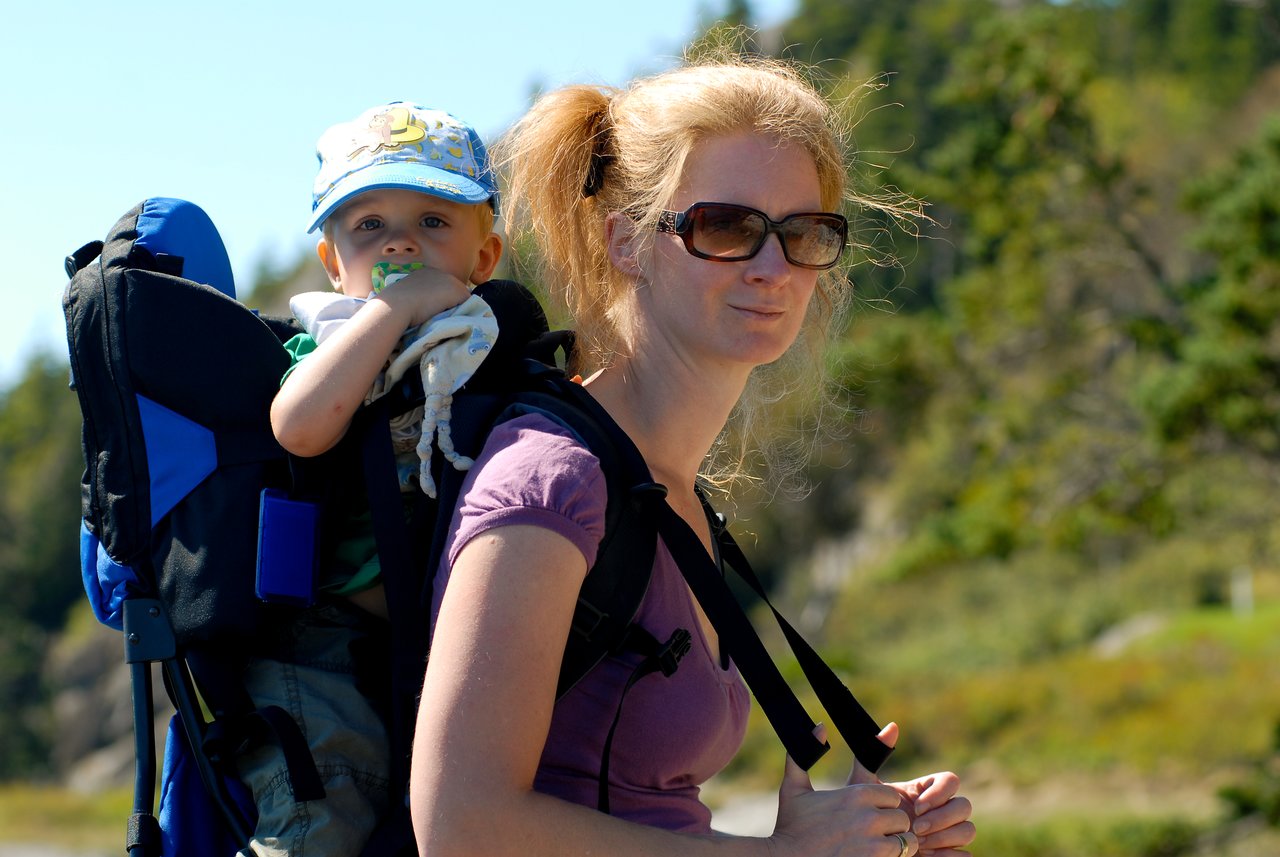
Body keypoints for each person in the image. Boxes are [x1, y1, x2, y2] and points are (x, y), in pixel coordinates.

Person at [410, 56, 976, 857]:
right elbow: (460, 825)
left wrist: (877, 833)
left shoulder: (665, 492)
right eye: (725, 226)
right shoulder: (552, 481)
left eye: (804, 233)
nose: (773, 266)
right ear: (628, 241)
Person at [238, 102, 503, 857]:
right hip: (321, 645)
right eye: (368, 226)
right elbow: (300, 424)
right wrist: (389, 311)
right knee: (325, 815)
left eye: (433, 222)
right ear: (333, 264)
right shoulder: (333, 341)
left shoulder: (488, 347)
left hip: (435, 648)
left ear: (484, 259)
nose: (400, 240)